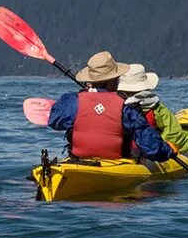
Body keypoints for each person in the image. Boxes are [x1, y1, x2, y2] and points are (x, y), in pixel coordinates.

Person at [45, 50, 174, 162]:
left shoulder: (72, 101)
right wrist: (168, 150)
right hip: (116, 163)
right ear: (113, 80)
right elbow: (152, 147)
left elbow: (54, 122)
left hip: (78, 160)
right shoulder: (126, 108)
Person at [118, 65, 188, 171]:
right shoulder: (158, 109)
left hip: (118, 156)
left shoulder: (115, 105)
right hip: (146, 158)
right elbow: (178, 140)